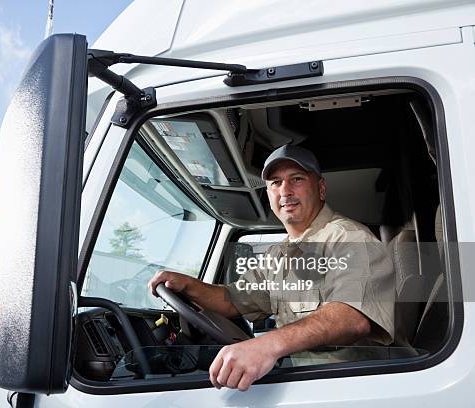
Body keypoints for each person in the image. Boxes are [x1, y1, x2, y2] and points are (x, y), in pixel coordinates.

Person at [148, 144, 395, 391]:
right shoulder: (279, 254)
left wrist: (267, 345)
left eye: (296, 179)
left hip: (352, 387)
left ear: (320, 188)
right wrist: (189, 286)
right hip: (302, 381)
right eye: (276, 183)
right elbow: (233, 300)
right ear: (268, 194)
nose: (285, 191)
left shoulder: (349, 239)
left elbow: (352, 318)